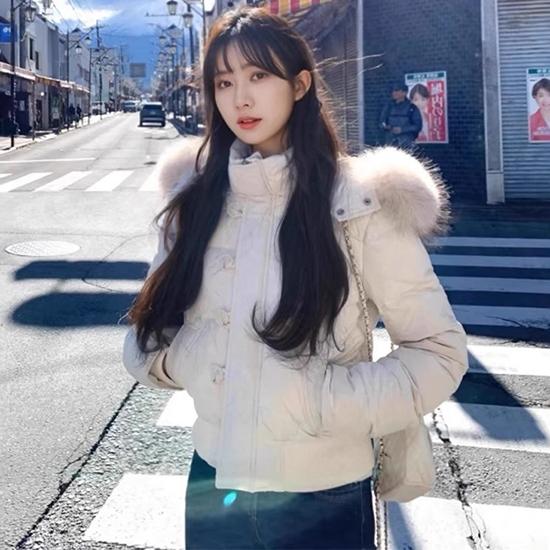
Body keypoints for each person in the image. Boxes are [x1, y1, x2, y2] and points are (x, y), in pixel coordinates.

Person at [122, 6, 468, 549]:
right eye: (224, 82)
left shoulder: (359, 203)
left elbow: (439, 351)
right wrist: (189, 360)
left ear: (300, 84)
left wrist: (322, 402)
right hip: (214, 484)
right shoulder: (195, 204)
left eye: (259, 75)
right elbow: (144, 337)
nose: (241, 98)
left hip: (325, 493)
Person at [379, 81, 422, 149]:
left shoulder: (412, 108)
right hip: (391, 144)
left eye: (396, 90)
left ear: (404, 93)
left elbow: (418, 126)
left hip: (407, 144)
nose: (394, 93)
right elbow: (381, 122)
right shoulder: (388, 107)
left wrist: (402, 129)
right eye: (393, 91)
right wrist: (386, 127)